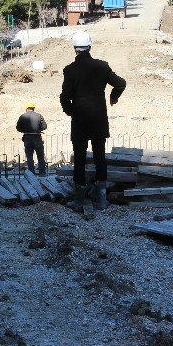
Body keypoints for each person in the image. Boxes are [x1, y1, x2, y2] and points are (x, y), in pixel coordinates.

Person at [59, 30, 126, 215]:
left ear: (75, 48)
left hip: (80, 120)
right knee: (100, 158)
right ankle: (101, 199)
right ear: (90, 46)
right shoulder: (102, 67)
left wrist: (72, 112)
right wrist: (114, 96)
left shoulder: (70, 70)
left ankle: (79, 199)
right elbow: (121, 83)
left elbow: (64, 98)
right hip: (98, 120)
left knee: (79, 159)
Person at [16, 103, 47, 176]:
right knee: (40, 156)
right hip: (37, 137)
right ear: (33, 108)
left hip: (27, 138)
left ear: (27, 109)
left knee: (29, 156)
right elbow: (44, 127)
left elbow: (18, 128)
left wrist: (25, 130)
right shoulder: (39, 116)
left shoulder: (22, 116)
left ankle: (31, 173)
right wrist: (38, 129)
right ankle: (42, 173)